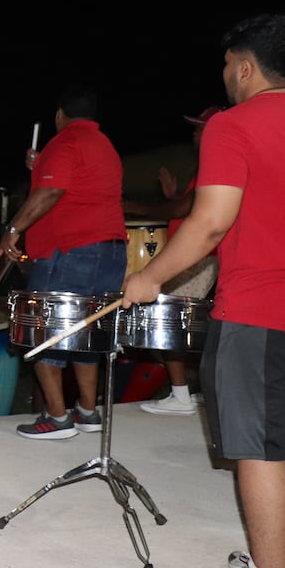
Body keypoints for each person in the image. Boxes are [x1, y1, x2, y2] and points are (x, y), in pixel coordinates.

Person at [123, 14, 285, 568]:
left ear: (244, 65)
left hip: (259, 311)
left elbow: (210, 222)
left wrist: (150, 278)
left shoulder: (233, 126)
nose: (226, 76)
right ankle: (284, 562)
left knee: (257, 451)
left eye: (227, 65)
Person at [0, 86, 126, 440]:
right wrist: (41, 169)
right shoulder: (105, 146)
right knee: (87, 330)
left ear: (59, 115)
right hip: (111, 252)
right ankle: (86, 411)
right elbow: (75, 187)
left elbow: (50, 192)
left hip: (71, 251)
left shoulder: (64, 142)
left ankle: (56, 417)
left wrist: (13, 228)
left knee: (44, 328)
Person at [123, 105, 222, 416]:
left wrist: (137, 208)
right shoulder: (204, 168)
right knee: (174, 320)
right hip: (196, 256)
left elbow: (183, 211)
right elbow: (185, 206)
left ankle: (181, 395)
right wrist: (173, 197)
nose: (194, 134)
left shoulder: (217, 166)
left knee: (168, 318)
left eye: (199, 128)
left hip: (199, 256)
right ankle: (184, 393)